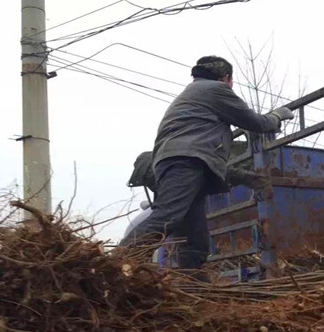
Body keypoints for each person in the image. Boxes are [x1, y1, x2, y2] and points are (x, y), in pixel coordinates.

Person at [121, 56, 294, 269]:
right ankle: (118, 263)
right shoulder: (215, 90)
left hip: (179, 160)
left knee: (195, 237)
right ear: (227, 78)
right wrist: (276, 116)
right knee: (168, 216)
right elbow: (255, 122)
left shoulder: (193, 94)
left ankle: (193, 286)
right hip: (185, 161)